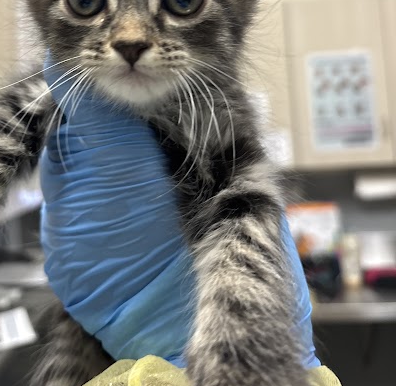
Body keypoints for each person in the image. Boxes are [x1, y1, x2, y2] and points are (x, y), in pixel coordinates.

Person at [40, 55, 320, 369]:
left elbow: (237, 192)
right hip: (87, 320)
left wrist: (248, 354)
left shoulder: (212, 97)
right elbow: (9, 122)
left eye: (183, 1)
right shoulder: (66, 78)